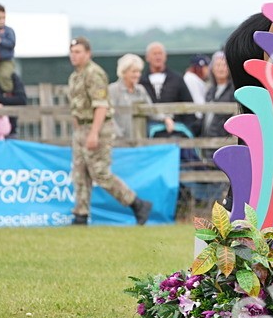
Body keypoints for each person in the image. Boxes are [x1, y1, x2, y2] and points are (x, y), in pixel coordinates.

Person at [67, 37, 152, 226]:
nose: (74, 55)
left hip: (97, 127)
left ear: (88, 53)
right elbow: (75, 107)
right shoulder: (74, 77)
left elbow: (101, 106)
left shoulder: (94, 73)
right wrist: (78, 130)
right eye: (72, 52)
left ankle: (136, 204)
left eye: (78, 52)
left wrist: (94, 133)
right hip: (81, 128)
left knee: (100, 173)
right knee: (80, 174)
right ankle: (80, 215)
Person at [140, 41, 195, 134]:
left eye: (160, 53)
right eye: (154, 54)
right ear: (147, 58)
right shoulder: (140, 82)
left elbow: (189, 106)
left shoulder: (177, 79)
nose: (158, 57)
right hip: (148, 132)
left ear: (165, 56)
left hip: (176, 130)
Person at [109, 53, 154, 140]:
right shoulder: (113, 89)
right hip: (118, 142)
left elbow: (151, 110)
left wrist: (166, 118)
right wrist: (118, 134)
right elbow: (108, 116)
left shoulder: (141, 90)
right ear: (124, 72)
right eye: (134, 72)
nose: (137, 75)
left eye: (139, 71)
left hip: (139, 139)